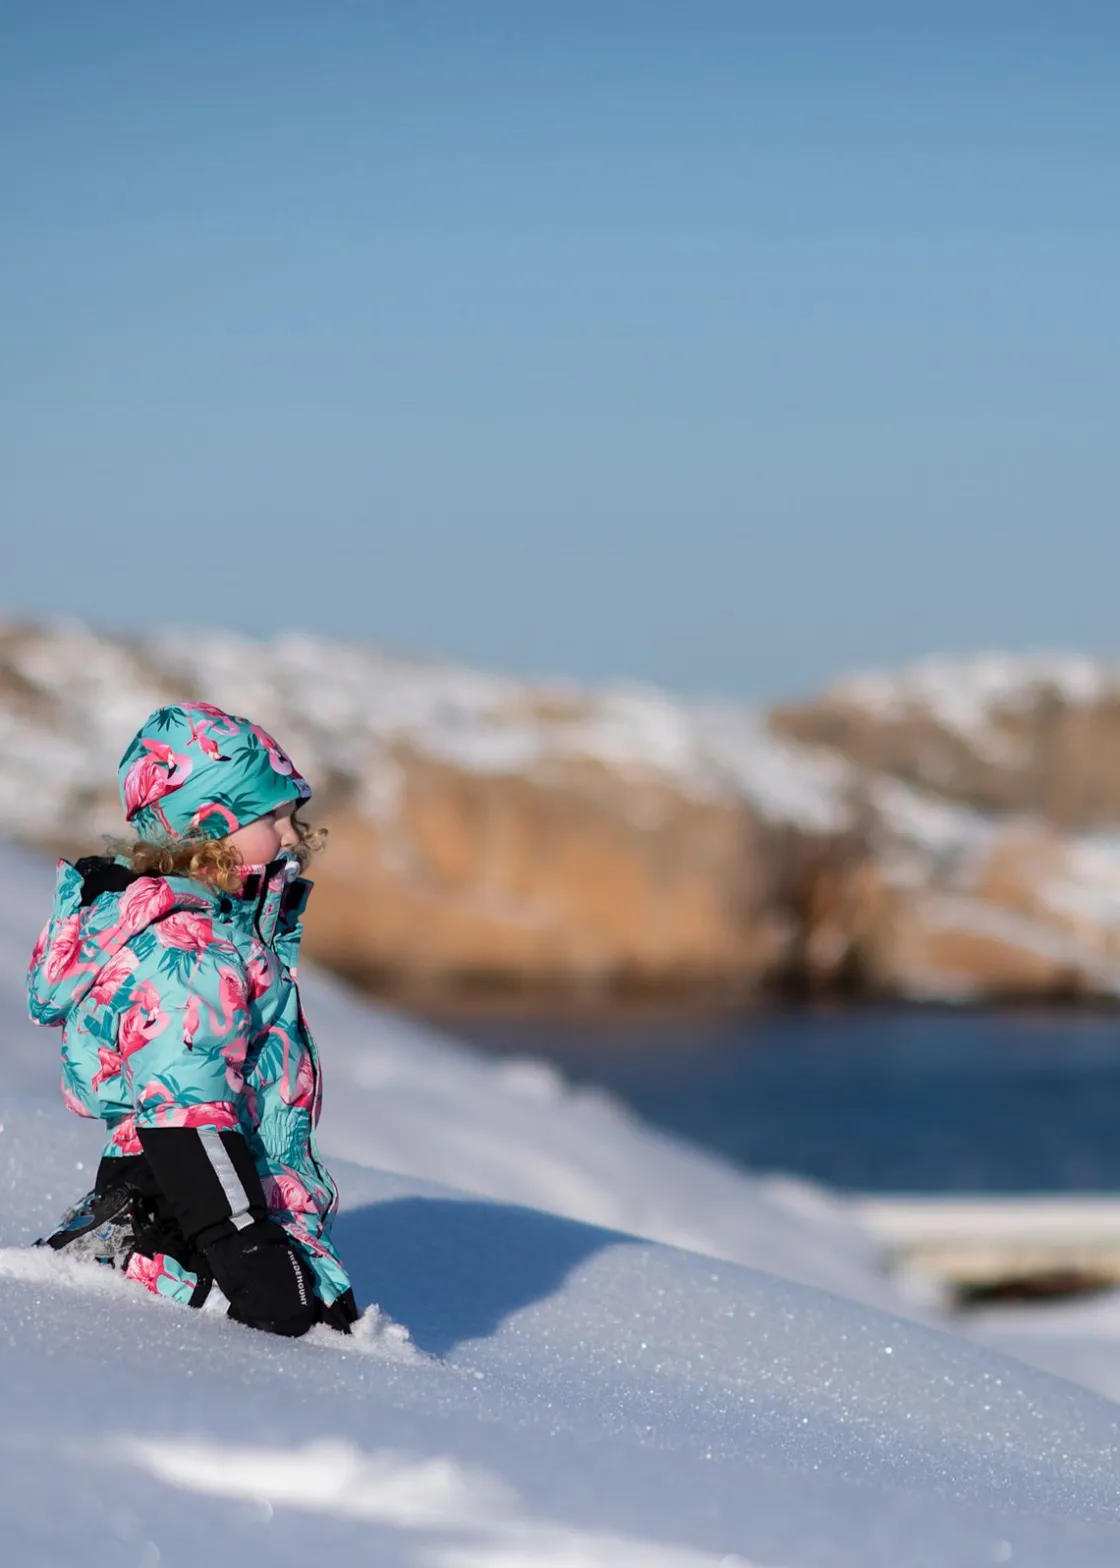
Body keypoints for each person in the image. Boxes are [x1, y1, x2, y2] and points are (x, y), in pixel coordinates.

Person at [27, 702, 358, 1338]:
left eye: (293, 816)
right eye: (270, 818)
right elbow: (186, 1118)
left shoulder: (223, 934)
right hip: (197, 1226)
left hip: (219, 1204)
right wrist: (245, 1246)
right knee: (288, 1342)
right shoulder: (188, 954)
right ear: (207, 828)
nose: (292, 836)